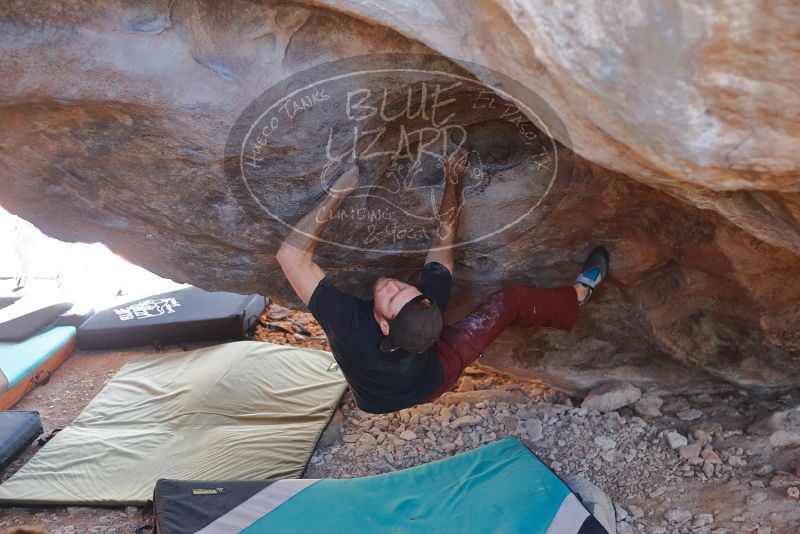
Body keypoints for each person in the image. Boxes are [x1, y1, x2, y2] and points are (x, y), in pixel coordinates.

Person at [276, 147, 609, 414]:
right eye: (400, 293)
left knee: (498, 296)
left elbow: (290, 257)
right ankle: (577, 295)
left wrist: (339, 192)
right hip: (433, 378)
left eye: (396, 295)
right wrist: (453, 182)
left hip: (381, 397)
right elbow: (443, 244)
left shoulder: (358, 318)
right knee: (505, 300)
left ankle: (577, 296)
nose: (392, 285)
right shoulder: (389, 314)